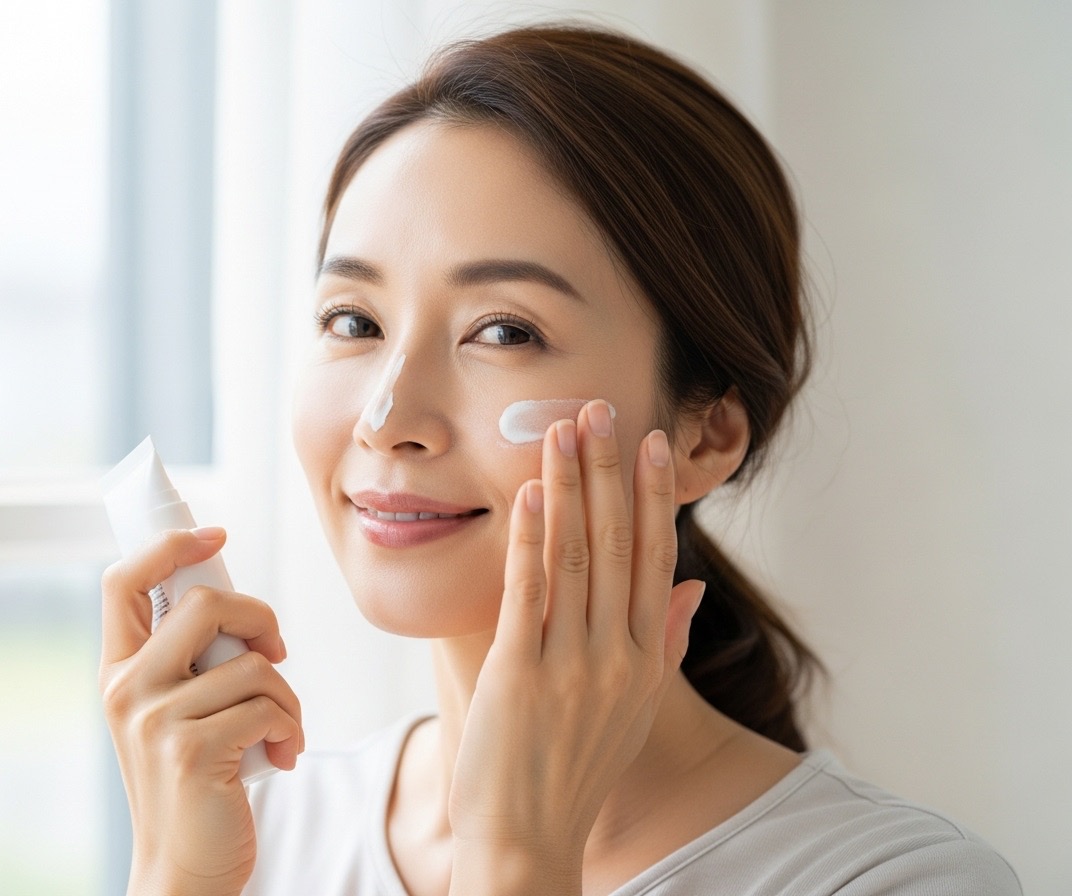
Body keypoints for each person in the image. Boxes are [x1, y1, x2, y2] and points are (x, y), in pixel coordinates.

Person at [98, 23, 1022, 896]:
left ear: (706, 437)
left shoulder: (891, 880)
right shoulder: (253, 835)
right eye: (356, 322)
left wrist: (517, 855)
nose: (387, 418)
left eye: (504, 331)